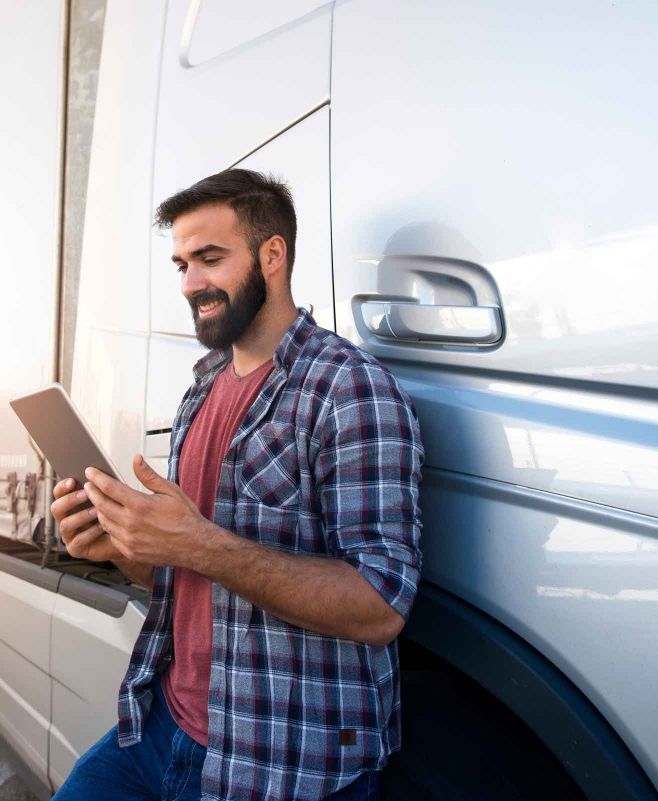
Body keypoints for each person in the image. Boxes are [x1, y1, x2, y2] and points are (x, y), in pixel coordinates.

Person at [50, 169, 423, 801]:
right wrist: (118, 545)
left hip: (278, 762)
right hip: (160, 728)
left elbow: (381, 605)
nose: (192, 283)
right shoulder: (203, 386)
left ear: (272, 255)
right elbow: (185, 576)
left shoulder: (349, 391)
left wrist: (196, 543)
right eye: (181, 265)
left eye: (210, 259)